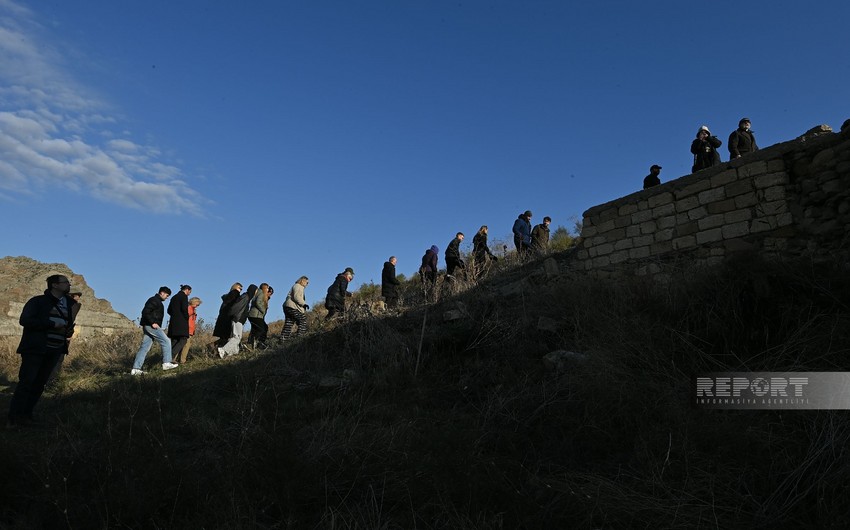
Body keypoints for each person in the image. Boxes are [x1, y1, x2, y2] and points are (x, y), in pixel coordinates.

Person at [8, 275, 79, 426]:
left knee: (40, 384)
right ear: (54, 285)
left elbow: (68, 324)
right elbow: (25, 320)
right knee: (26, 382)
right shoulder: (37, 301)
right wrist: (51, 324)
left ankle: (27, 414)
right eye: (65, 282)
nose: (69, 284)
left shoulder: (71, 304)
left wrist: (67, 331)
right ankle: (14, 417)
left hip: (55, 349)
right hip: (35, 348)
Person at [131, 286, 178, 375]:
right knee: (166, 341)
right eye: (167, 295)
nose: (167, 298)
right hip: (151, 326)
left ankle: (136, 369)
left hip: (148, 325)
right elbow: (145, 312)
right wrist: (152, 322)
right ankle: (167, 363)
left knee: (144, 348)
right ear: (162, 293)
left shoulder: (156, 301)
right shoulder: (154, 300)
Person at [47, 290, 82, 387]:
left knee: (57, 359)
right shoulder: (65, 306)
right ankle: (50, 381)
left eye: (78, 296)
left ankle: (51, 381)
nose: (78, 298)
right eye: (76, 296)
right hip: (57, 337)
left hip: (62, 337)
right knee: (53, 359)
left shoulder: (71, 306)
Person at [218, 284, 257, 358]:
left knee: (236, 337)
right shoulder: (245, 297)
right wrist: (234, 317)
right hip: (237, 319)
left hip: (238, 320)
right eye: (256, 291)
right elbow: (235, 307)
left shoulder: (247, 297)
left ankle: (232, 354)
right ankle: (223, 350)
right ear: (253, 290)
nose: (256, 293)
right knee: (237, 337)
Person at [166, 284, 192, 361]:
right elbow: (184, 309)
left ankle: (166, 356)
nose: (189, 294)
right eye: (189, 292)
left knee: (174, 340)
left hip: (173, 322)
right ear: (187, 290)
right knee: (183, 339)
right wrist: (186, 317)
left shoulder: (174, 297)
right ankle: (170, 356)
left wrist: (175, 316)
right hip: (181, 323)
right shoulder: (184, 297)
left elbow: (169, 310)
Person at [174, 296, 202, 364]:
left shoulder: (191, 309)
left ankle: (175, 359)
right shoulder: (189, 309)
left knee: (182, 344)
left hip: (189, 330)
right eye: (197, 304)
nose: (197, 306)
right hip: (187, 330)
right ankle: (182, 360)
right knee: (185, 345)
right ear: (193, 302)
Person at [247, 283, 270, 349]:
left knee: (256, 330)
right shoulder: (261, 293)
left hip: (253, 315)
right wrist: (263, 310)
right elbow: (258, 302)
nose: (268, 289)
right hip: (255, 316)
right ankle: (259, 343)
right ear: (264, 288)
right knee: (262, 329)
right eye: (267, 288)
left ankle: (251, 343)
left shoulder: (258, 293)